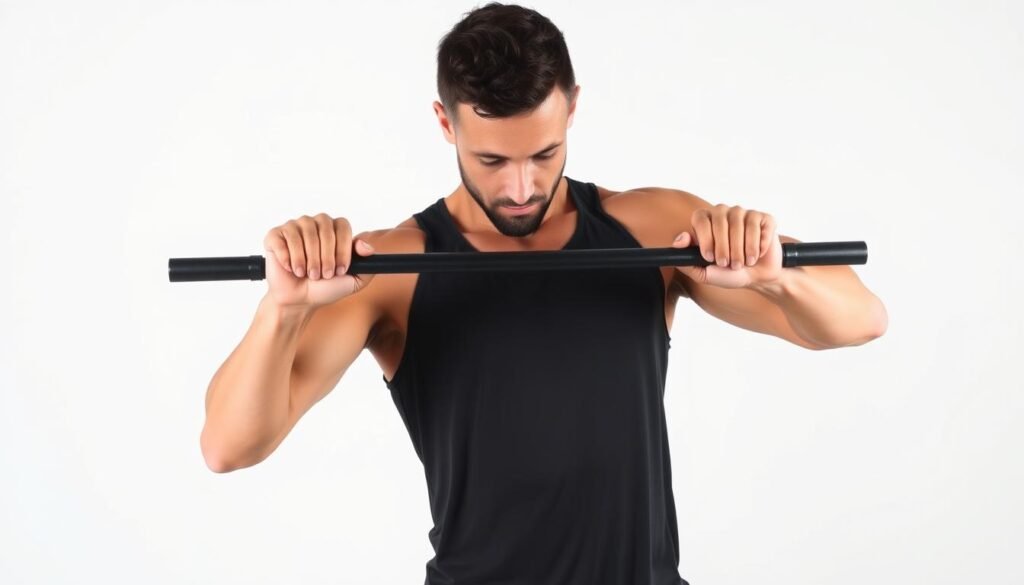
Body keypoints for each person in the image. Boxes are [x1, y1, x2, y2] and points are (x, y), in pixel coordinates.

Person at [200, 3, 888, 584]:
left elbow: (861, 319)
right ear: (447, 125)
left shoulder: (647, 229)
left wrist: (775, 275)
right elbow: (228, 446)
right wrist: (281, 310)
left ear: (573, 110)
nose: (521, 188)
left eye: (544, 154)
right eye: (492, 161)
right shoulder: (395, 267)